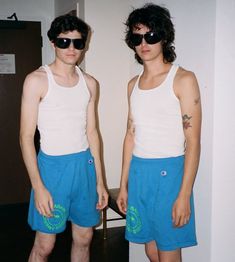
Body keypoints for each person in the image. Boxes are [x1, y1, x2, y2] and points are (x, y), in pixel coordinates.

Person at [20, 14, 108, 262]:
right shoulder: (36, 80)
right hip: (52, 169)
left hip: (84, 168)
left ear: (84, 45)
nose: (71, 48)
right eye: (64, 42)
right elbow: (26, 137)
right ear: (52, 43)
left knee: (84, 238)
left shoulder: (90, 83)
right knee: (45, 245)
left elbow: (92, 133)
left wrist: (100, 181)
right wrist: (38, 186)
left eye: (78, 43)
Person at [117, 3, 201, 262]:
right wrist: (123, 186)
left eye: (151, 36)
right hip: (140, 173)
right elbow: (130, 136)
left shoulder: (183, 79)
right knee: (151, 249)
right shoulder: (133, 84)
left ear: (164, 37)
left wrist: (184, 195)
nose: (144, 43)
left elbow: (193, 142)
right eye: (137, 37)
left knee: (168, 251)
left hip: (170, 175)